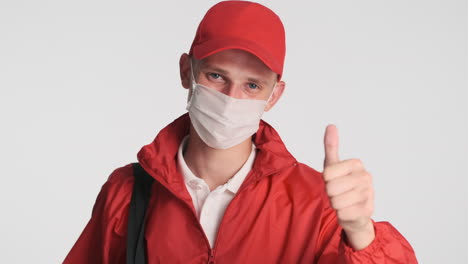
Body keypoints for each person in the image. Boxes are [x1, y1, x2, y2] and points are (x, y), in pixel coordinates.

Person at [63, 1, 418, 263]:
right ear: (187, 71)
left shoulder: (314, 204)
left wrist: (361, 233)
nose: (232, 99)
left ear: (274, 95)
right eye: (216, 76)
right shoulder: (127, 194)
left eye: (252, 85)